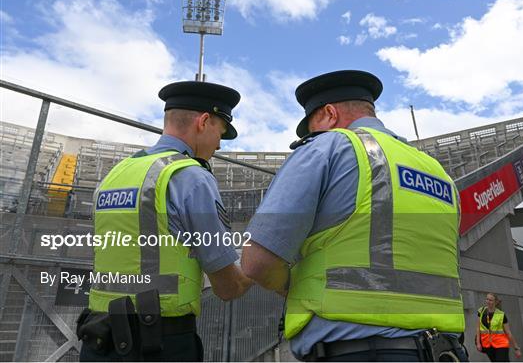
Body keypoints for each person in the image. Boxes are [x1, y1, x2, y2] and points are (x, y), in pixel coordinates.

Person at [241, 70, 467, 361]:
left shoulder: (328, 147)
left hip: (360, 352)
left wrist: (292, 286)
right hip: (447, 351)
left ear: (329, 114)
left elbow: (257, 262)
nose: (313, 135)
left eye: (312, 127)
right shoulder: (438, 172)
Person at [78, 81, 252, 361]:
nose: (219, 144)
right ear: (204, 121)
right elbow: (227, 286)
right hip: (158, 344)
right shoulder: (191, 178)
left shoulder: (115, 174)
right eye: (220, 132)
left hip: (99, 339)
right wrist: (258, 266)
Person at [476, 293, 521, 361]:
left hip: (501, 344)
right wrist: (478, 343)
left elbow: (508, 333)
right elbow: (478, 328)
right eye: (487, 299)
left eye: (490, 300)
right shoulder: (481, 311)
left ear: (496, 302)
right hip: (487, 345)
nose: (488, 301)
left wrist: (516, 348)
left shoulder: (501, 315)